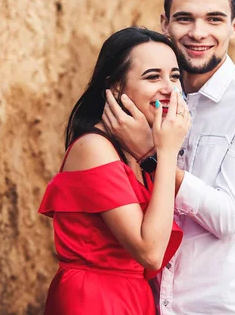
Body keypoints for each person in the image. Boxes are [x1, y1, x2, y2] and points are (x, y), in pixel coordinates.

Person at [103, 0, 235, 314]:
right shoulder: (147, 100)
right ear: (165, 23)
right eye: (185, 19)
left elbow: (228, 218)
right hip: (150, 304)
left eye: (214, 19)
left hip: (223, 307)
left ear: (234, 26)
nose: (198, 33)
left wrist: (151, 156)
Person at [38, 27, 191, 314]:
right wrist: (167, 152)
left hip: (133, 296)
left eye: (174, 76)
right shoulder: (94, 148)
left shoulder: (138, 147)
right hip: (94, 299)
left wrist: (153, 153)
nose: (170, 88)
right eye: (153, 76)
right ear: (116, 86)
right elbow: (150, 252)